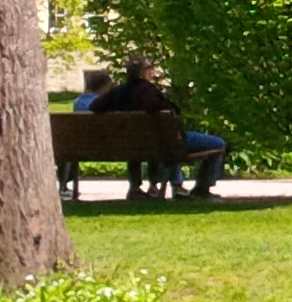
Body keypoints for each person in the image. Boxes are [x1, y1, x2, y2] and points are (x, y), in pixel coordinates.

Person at [90, 57, 228, 197]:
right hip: (163, 141)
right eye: (150, 68)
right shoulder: (146, 90)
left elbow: (95, 106)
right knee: (218, 143)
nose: (153, 71)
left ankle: (135, 187)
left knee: (158, 141)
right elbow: (151, 104)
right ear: (142, 73)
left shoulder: (117, 92)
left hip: (131, 143)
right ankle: (202, 188)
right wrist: (170, 108)